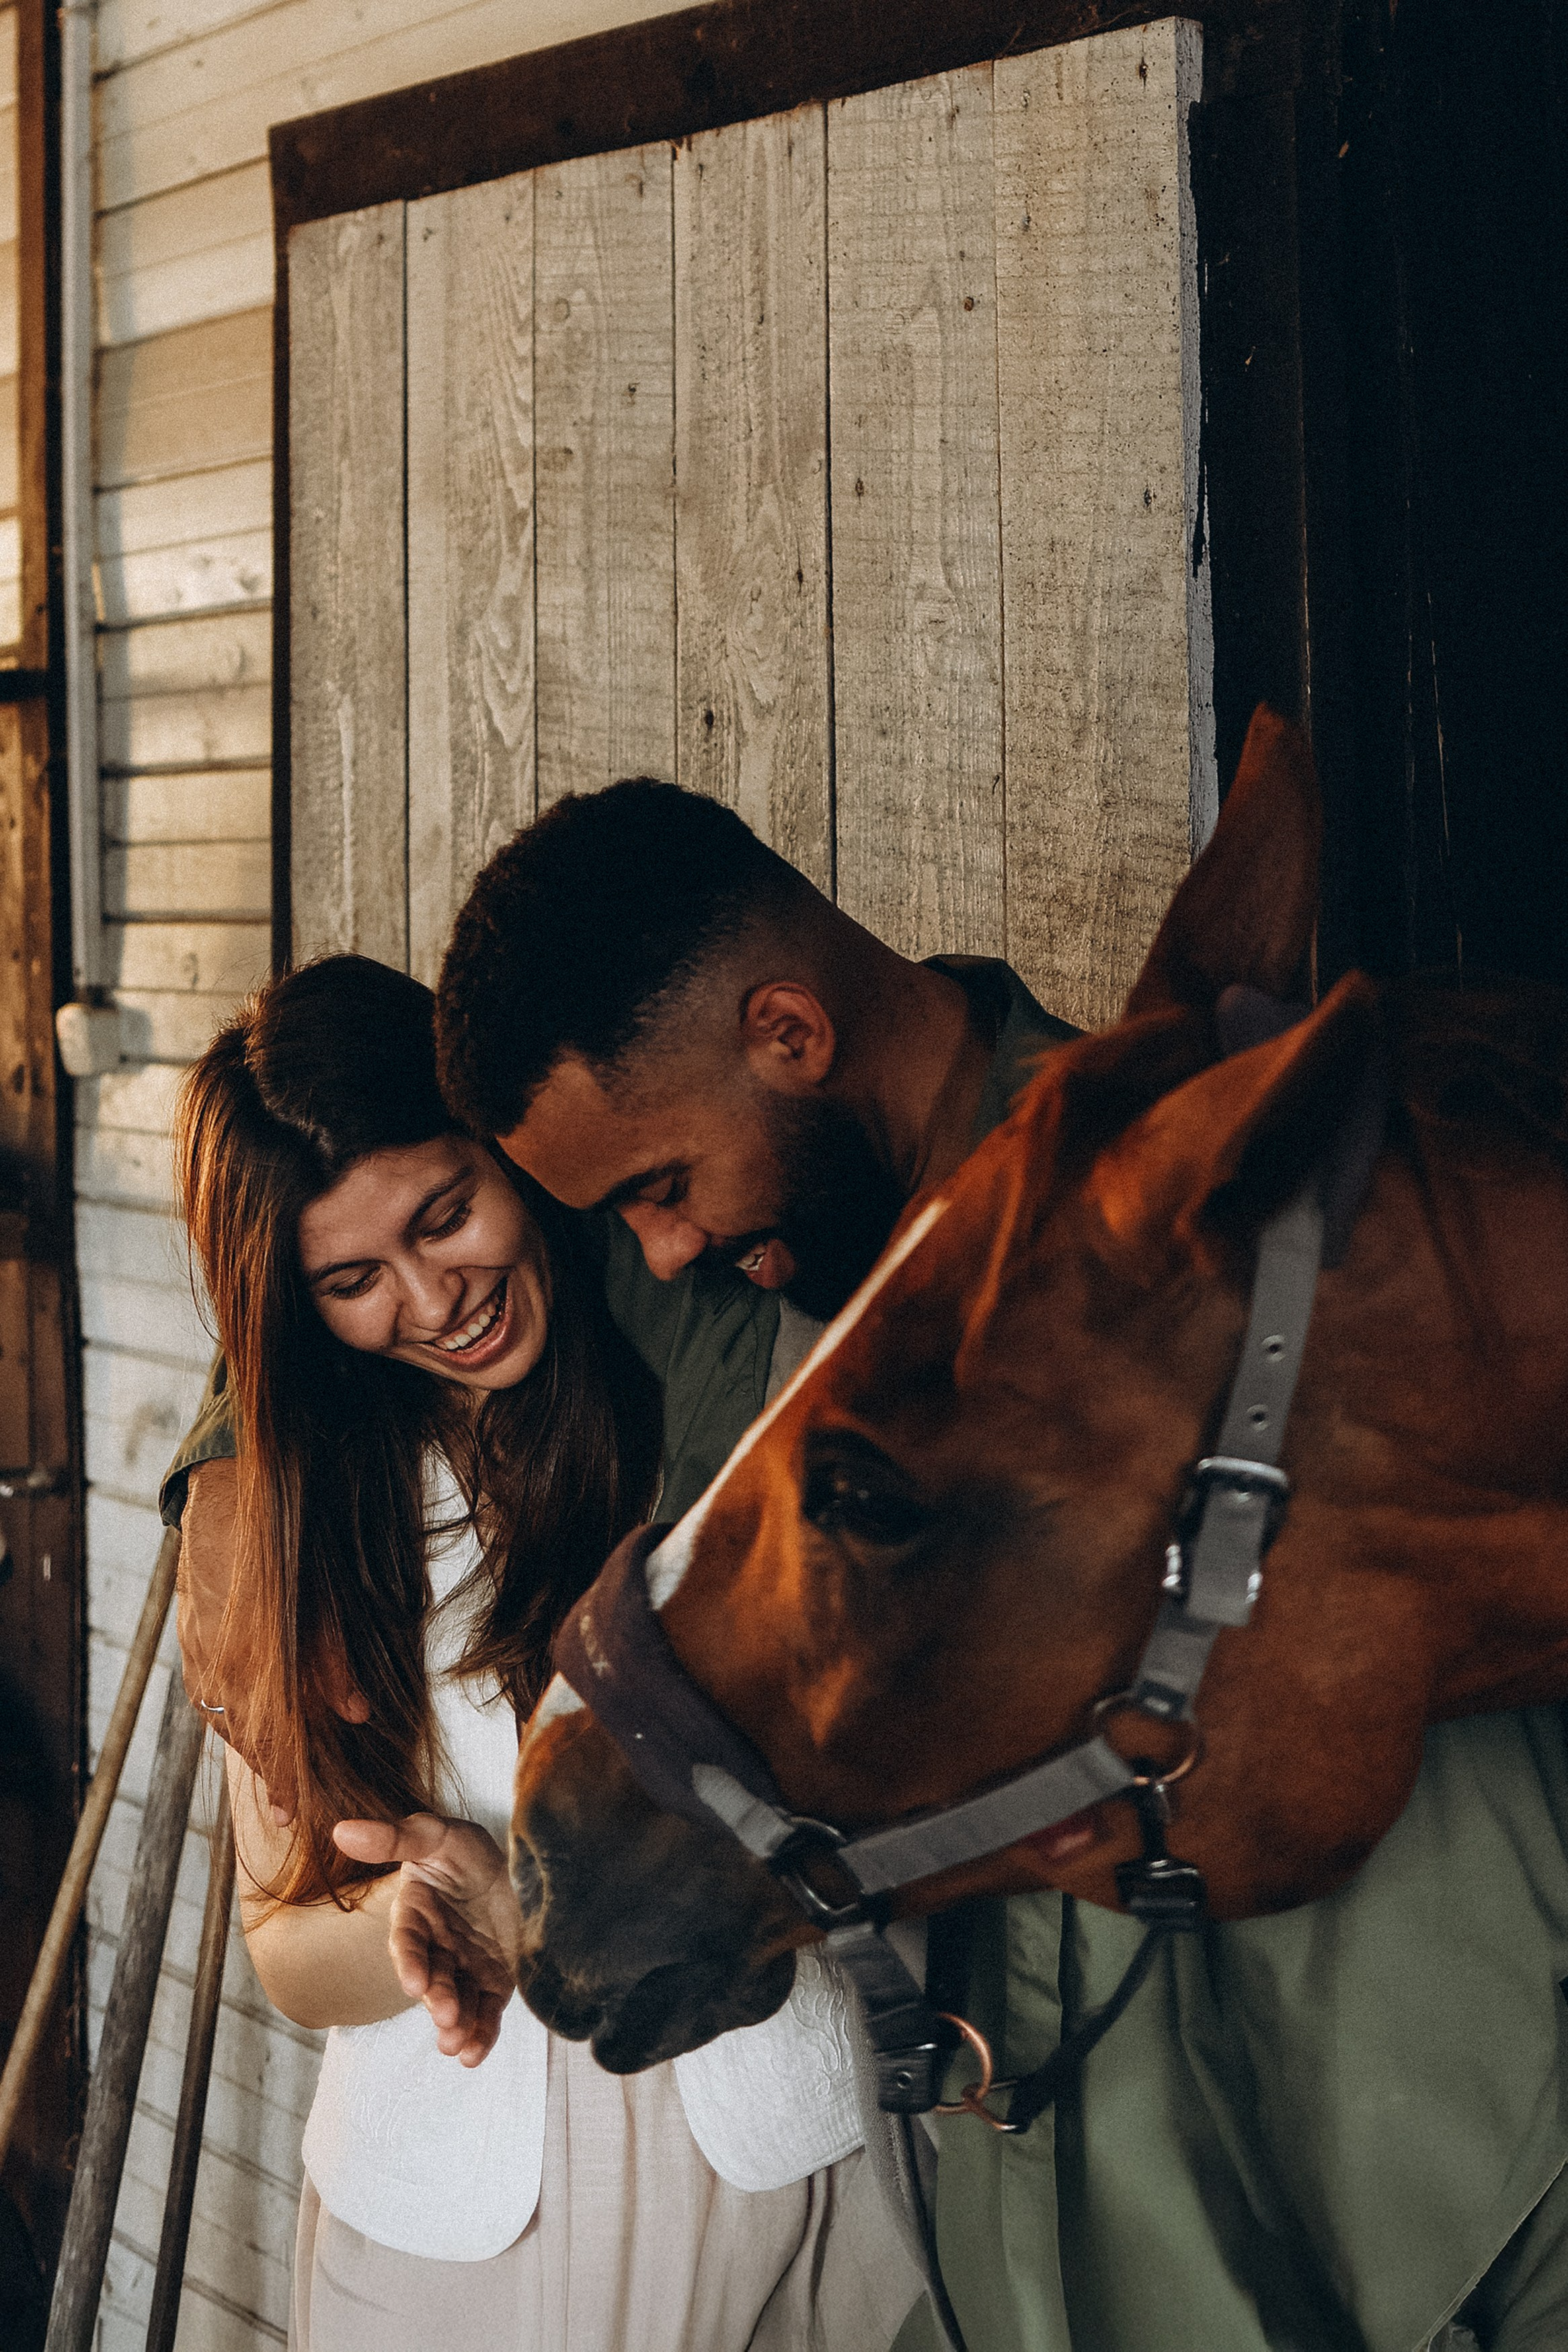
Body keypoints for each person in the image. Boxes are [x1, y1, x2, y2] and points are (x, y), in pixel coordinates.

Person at [430, 779, 1568, 2352]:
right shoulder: (729, 1320)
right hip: (1013, 2252)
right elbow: (356, 1193)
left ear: (787, 1034)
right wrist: (235, 1443)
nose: (657, 1254)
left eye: (659, 1188)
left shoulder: (1204, 1233)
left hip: (1378, 2228)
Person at [169, 953, 925, 2352]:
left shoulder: (697, 1401)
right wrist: (432, 1932)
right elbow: (283, 1945)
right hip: (445, 2228)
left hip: (777, 2143)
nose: (433, 1297)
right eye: (351, 1279)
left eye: (446, 1214)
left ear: (504, 1155)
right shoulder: (288, 1523)